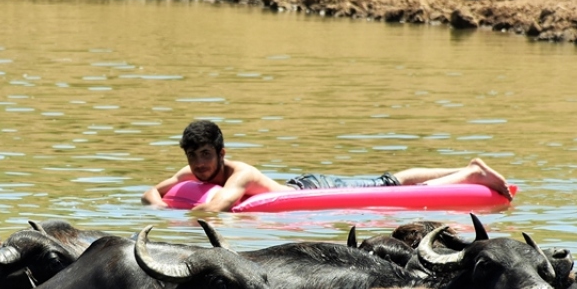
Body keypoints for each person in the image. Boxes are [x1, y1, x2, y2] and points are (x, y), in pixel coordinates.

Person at [142, 119, 513, 212]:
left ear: (222, 153)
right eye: (192, 156)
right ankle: (464, 168)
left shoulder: (242, 173)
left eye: (205, 155)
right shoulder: (193, 171)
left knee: (389, 187)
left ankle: (470, 175)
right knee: (387, 179)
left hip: (313, 190)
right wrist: (161, 206)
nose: (198, 164)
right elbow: (149, 192)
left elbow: (215, 208)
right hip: (300, 181)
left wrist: (181, 213)